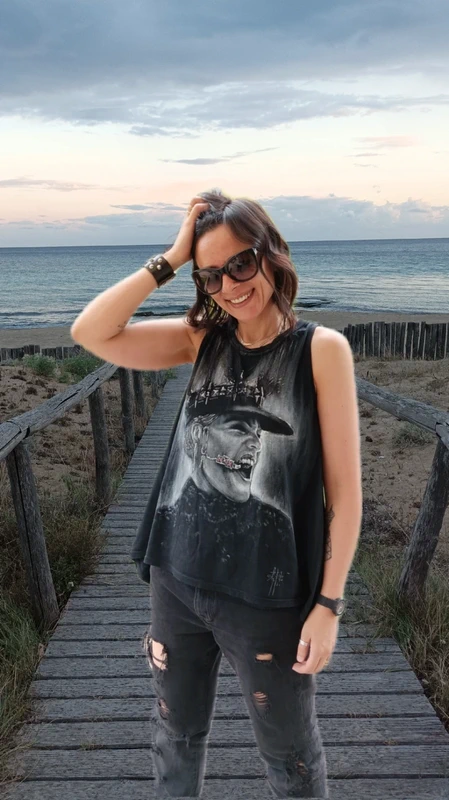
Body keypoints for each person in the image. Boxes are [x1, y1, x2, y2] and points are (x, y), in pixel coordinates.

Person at [70, 189, 363, 798]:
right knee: (174, 738)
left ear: (270, 253)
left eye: (240, 263)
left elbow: (344, 493)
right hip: (176, 577)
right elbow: (91, 331)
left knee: (290, 757)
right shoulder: (202, 340)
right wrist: (172, 258)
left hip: (267, 593)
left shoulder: (320, 350)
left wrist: (328, 605)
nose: (230, 285)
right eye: (211, 276)